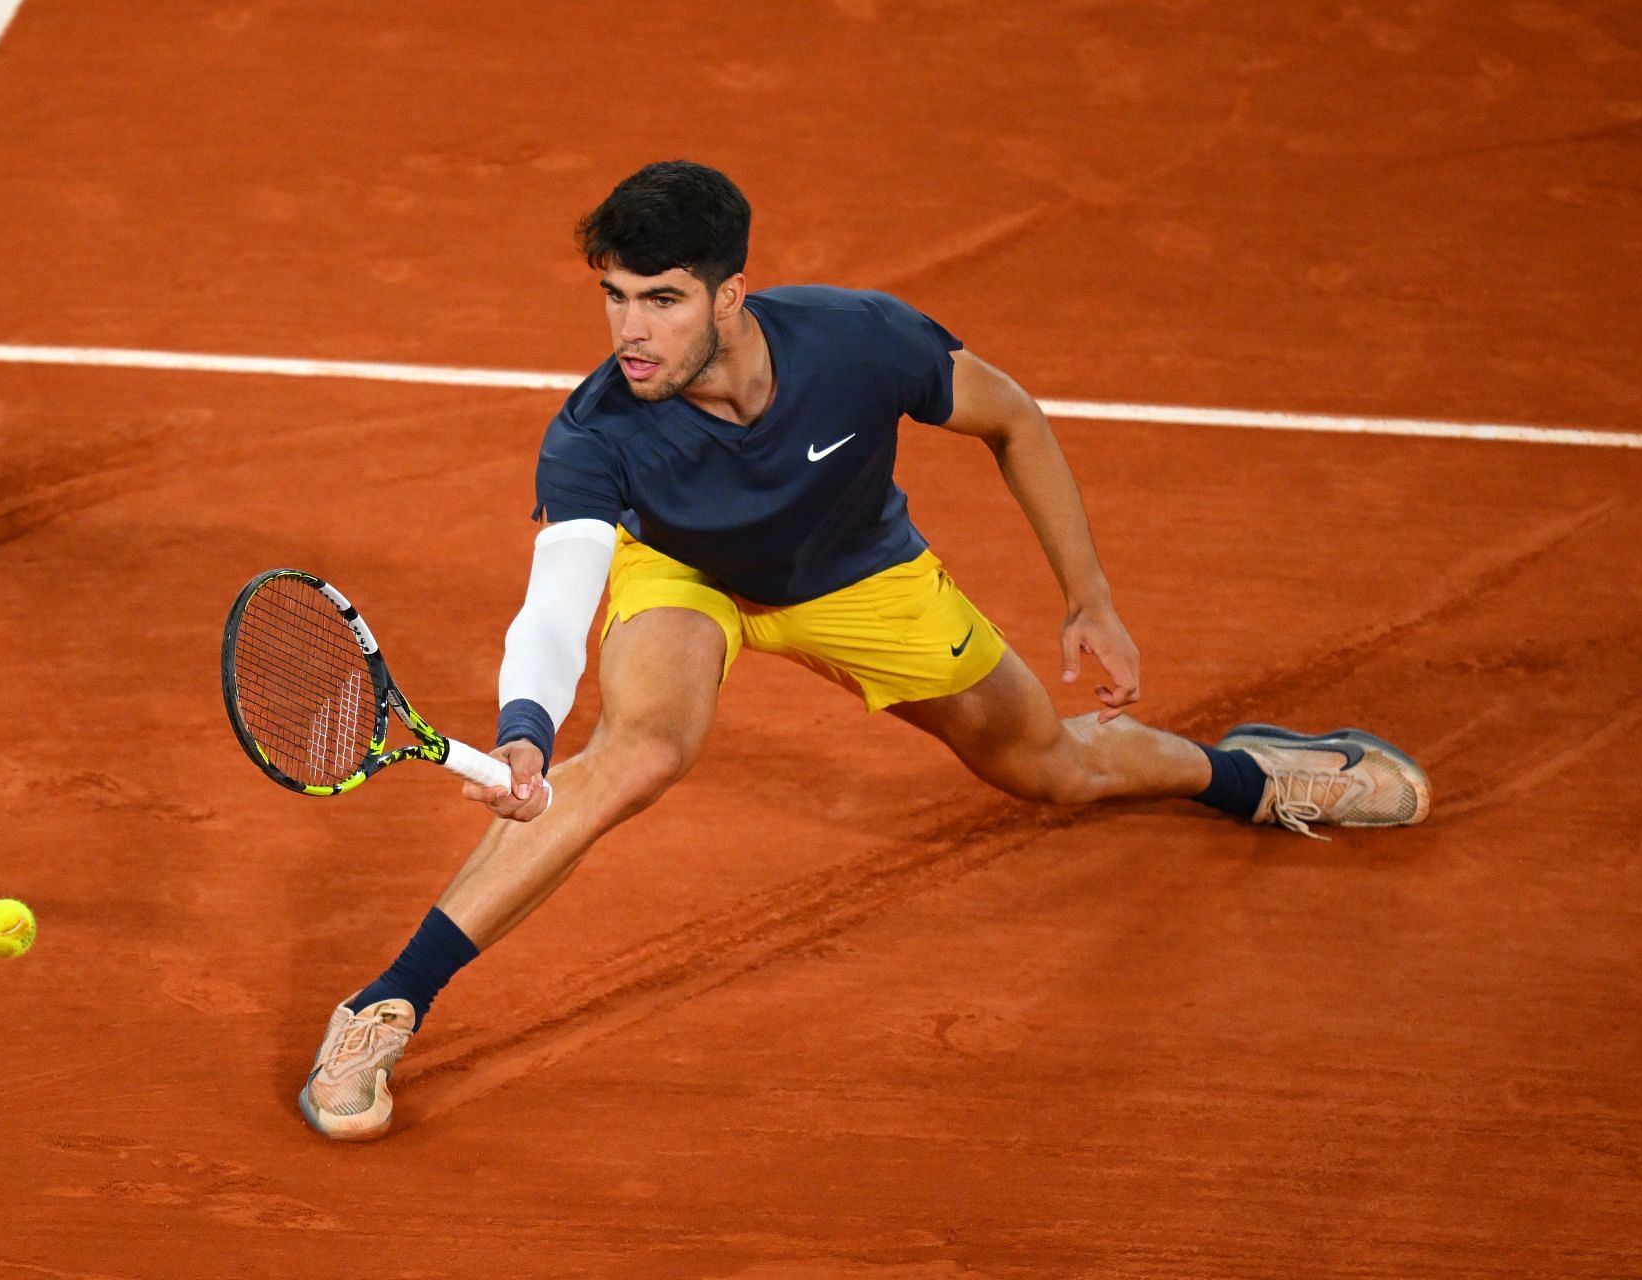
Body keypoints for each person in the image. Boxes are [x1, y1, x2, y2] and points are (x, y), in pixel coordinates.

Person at [297, 161, 1430, 1140]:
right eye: (613, 299)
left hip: (858, 574)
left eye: (662, 300)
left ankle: (1245, 773)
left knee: (1056, 770)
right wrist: (525, 730)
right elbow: (555, 603)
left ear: (730, 294)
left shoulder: (857, 340)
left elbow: (1013, 418)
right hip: (688, 578)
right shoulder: (597, 433)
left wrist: (1088, 597)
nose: (629, 333)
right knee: (637, 750)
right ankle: (385, 1005)